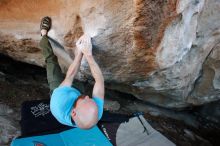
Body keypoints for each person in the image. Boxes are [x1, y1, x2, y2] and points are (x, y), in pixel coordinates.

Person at [39, 16, 105, 129]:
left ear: (73, 113)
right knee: (81, 87)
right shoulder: (94, 113)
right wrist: (88, 54)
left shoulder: (59, 102)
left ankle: (43, 34)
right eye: (91, 100)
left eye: (86, 100)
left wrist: (79, 53)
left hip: (59, 91)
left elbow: (69, 77)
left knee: (51, 62)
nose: (89, 97)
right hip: (73, 94)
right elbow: (99, 80)